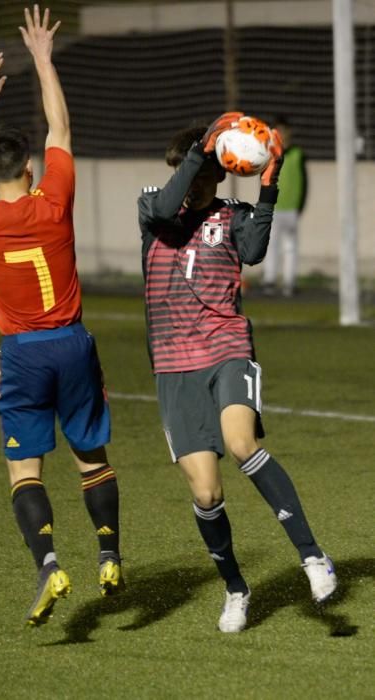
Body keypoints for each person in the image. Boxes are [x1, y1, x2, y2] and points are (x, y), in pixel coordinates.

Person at [0, 5, 124, 627]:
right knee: (92, 454)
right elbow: (61, 129)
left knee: (24, 466)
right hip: (74, 344)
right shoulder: (53, 201)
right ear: (28, 169)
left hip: (22, 353)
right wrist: (46, 61)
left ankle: (49, 563)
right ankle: (109, 555)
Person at [137, 112, 336, 633]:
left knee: (242, 443)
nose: (190, 182)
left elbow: (253, 251)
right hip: (174, 365)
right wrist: (200, 149)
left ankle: (312, 557)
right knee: (206, 494)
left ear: (221, 174)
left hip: (226, 347)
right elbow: (163, 203)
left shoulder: (234, 215)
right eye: (185, 170)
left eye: (202, 172)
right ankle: (235, 590)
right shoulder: (153, 209)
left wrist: (268, 189)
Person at [262, 115, 307, 297]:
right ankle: (270, 279)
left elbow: (304, 181)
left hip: (291, 208)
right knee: (271, 245)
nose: (282, 134)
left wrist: (301, 204)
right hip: (273, 207)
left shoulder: (298, 154)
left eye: (284, 130)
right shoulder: (269, 153)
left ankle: (289, 282)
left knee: (290, 247)